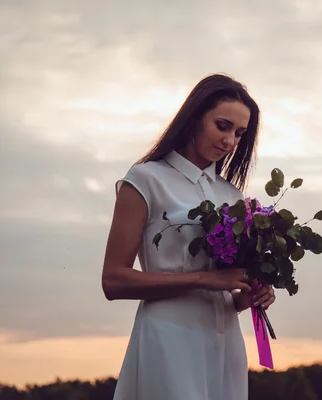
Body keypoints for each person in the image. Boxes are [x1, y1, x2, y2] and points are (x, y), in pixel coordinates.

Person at [102, 73, 277, 400]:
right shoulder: (145, 180)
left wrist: (249, 294)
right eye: (222, 126)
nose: (230, 141)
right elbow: (113, 281)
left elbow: (226, 294)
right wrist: (204, 279)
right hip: (169, 339)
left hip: (226, 345)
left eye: (239, 134)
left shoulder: (234, 197)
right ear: (195, 117)